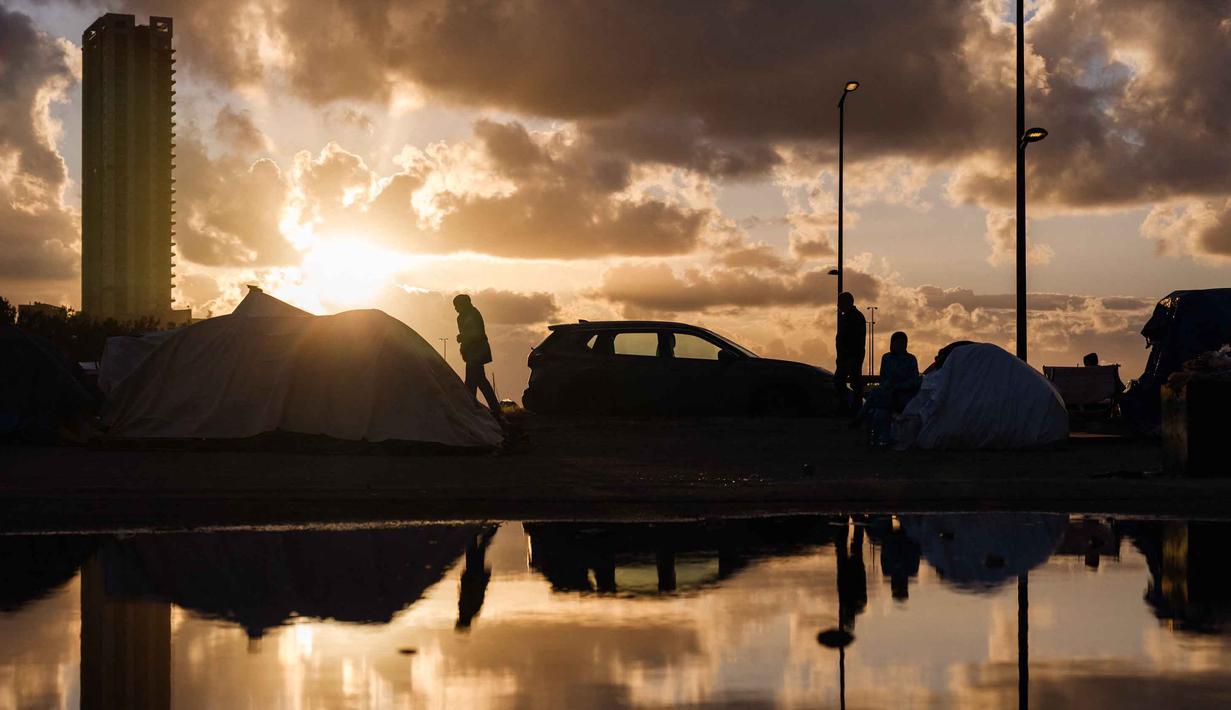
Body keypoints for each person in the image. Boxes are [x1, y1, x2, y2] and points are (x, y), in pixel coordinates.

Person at [863, 331, 921, 446]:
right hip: (888, 390)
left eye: (902, 343)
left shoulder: (910, 359)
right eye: (897, 343)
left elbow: (914, 380)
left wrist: (899, 386)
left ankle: (860, 417)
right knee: (877, 394)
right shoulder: (887, 358)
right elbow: (883, 377)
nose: (900, 346)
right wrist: (889, 385)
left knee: (877, 397)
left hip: (904, 393)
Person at [453, 294, 502, 418]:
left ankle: (471, 409)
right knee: (478, 381)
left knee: (472, 382)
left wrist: (462, 337)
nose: (456, 308)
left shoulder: (472, 315)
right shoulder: (466, 315)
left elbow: (476, 333)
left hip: (476, 353)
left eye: (457, 305)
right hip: (473, 353)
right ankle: (490, 409)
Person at [834, 292, 866, 414]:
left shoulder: (855, 318)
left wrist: (846, 355)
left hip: (851, 356)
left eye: (840, 303)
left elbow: (853, 340)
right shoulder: (849, 317)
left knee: (849, 381)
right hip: (847, 356)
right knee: (845, 381)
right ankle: (850, 406)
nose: (838, 305)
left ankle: (852, 407)